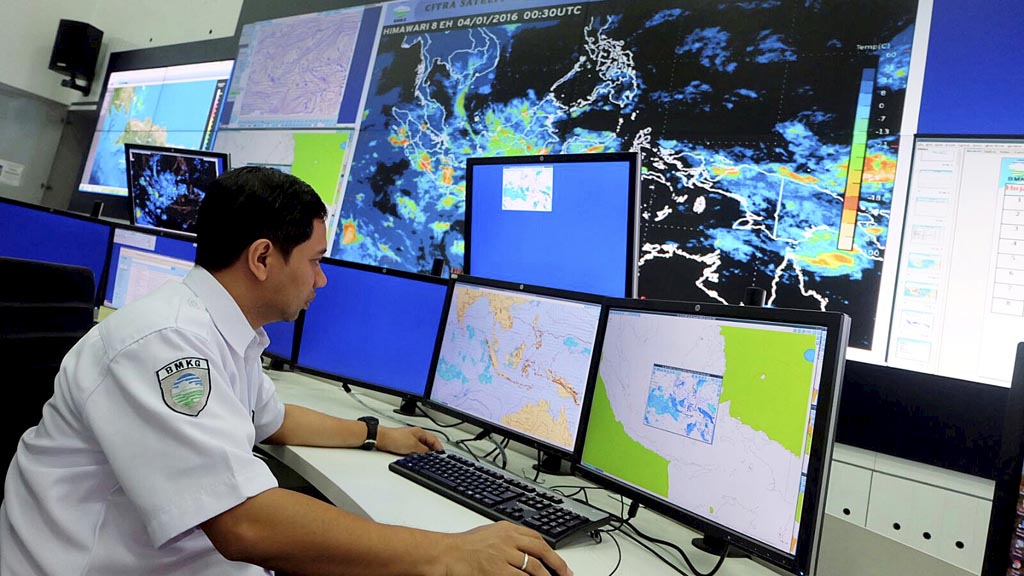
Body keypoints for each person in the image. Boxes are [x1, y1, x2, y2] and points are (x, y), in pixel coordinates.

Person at [0, 167, 571, 576]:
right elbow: (244, 525)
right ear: (262, 257)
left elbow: (272, 420)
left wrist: (376, 434)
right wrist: (446, 551)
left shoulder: (223, 329)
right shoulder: (167, 345)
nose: (322, 280)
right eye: (315, 261)